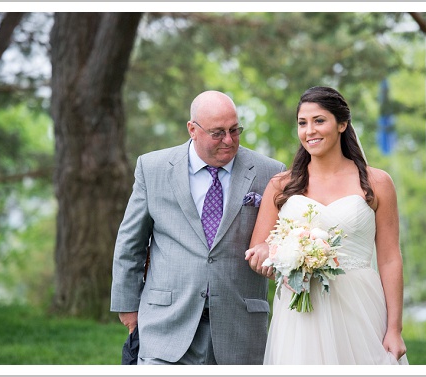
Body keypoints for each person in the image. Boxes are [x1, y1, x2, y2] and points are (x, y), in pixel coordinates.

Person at [110, 90, 286, 364]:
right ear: (192, 129)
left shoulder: (270, 172)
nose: (228, 140)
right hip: (165, 324)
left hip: (239, 327)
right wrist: (127, 306)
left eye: (234, 130)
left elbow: (282, 240)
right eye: (217, 133)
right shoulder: (152, 167)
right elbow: (131, 243)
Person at [244, 86, 408, 364]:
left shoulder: (378, 183)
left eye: (319, 120)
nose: (310, 131)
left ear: (342, 124)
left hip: (360, 306)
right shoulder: (281, 186)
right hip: (300, 314)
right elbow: (258, 252)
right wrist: (282, 259)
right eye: (302, 123)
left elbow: (390, 259)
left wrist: (394, 329)